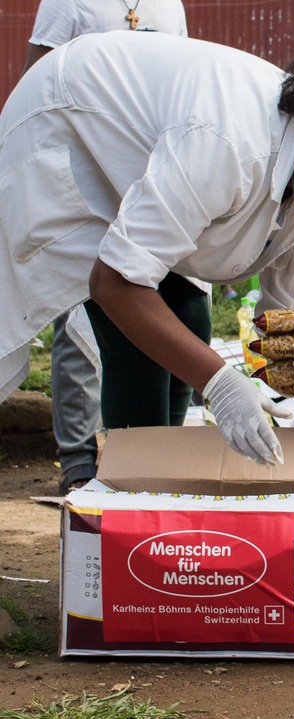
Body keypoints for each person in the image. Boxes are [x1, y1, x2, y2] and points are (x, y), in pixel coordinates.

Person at [0, 34, 294, 466]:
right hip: (72, 124)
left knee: (189, 316)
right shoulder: (229, 144)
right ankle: (135, 482)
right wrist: (220, 384)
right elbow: (114, 281)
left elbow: (291, 319)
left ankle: (164, 476)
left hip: (163, 158)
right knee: (134, 346)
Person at [22, 0, 188, 494]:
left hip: (148, 178)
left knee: (170, 311)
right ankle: (77, 463)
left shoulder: (170, 4)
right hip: (85, 179)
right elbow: (38, 80)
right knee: (80, 323)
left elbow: (180, 87)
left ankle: (158, 459)